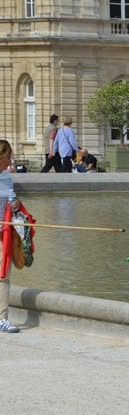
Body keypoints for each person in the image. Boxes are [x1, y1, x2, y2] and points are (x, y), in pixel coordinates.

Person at [0, 140, 23, 333]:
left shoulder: (7, 178)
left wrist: (15, 205)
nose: (10, 161)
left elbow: (11, 199)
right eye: (8, 157)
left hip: (3, 231)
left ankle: (2, 318)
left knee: (3, 275)